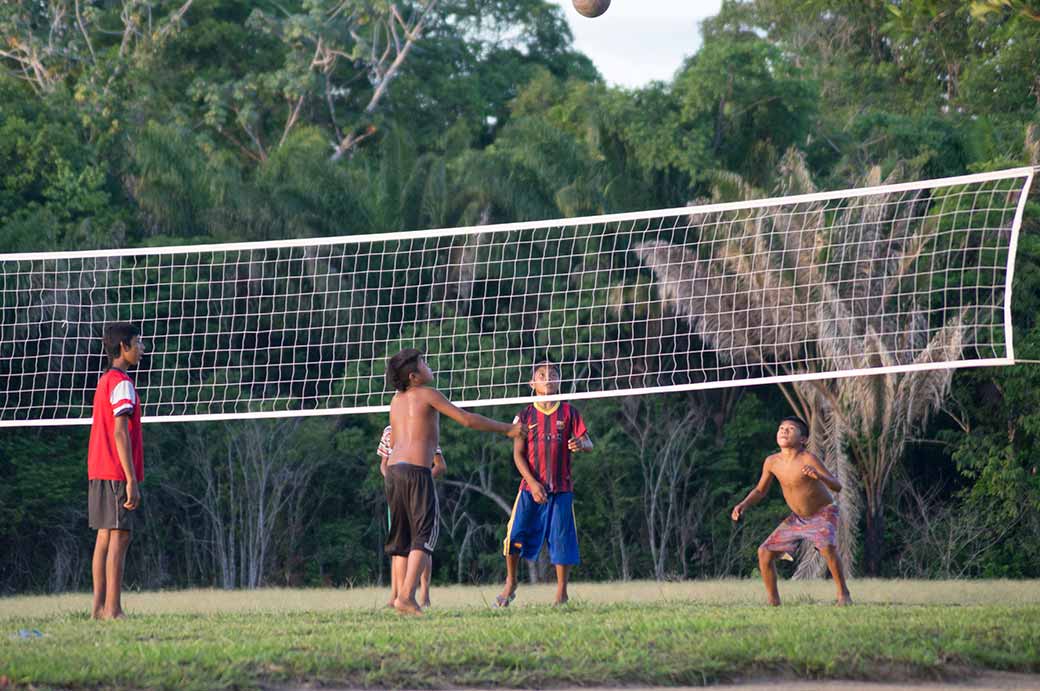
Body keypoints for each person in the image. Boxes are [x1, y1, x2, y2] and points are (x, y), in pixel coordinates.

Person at [384, 348, 521, 615]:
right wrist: (507, 428)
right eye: (423, 362)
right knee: (423, 536)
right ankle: (406, 598)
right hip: (415, 471)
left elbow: (392, 441)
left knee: (402, 539)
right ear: (414, 376)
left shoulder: (395, 401)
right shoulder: (428, 394)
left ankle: (400, 596)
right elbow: (467, 420)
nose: (428, 365)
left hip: (393, 471)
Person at [496, 361, 593, 608]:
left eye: (553, 374)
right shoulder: (526, 414)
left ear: (559, 381)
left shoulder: (569, 412)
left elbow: (588, 442)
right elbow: (518, 455)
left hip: (561, 489)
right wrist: (532, 483)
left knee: (561, 540)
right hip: (530, 489)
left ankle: (562, 594)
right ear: (533, 383)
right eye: (542, 375)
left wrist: (581, 445)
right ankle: (511, 582)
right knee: (515, 536)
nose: (548, 378)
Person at [730, 416, 852, 606]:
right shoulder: (772, 462)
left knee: (827, 547)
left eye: (790, 428)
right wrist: (743, 505)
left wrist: (819, 475)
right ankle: (774, 602)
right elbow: (760, 491)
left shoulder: (808, 458)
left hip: (823, 512)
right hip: (798, 518)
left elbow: (837, 486)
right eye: (781, 428)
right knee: (764, 552)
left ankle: (843, 595)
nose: (784, 431)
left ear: (803, 439)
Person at [87, 322, 146, 619]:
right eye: (138, 343)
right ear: (123, 347)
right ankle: (113, 609)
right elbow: (120, 433)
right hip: (115, 471)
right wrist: (131, 477)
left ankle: (99, 609)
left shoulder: (104, 381)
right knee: (119, 537)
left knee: (105, 537)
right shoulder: (122, 382)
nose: (142, 348)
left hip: (98, 468)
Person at [377, 424, 446, 608]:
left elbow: (440, 465)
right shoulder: (390, 432)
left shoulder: (424, 428)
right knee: (400, 544)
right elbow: (383, 465)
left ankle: (423, 595)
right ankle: (398, 596)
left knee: (421, 542)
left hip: (419, 487)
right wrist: (393, 480)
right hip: (398, 487)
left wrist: (422, 480)